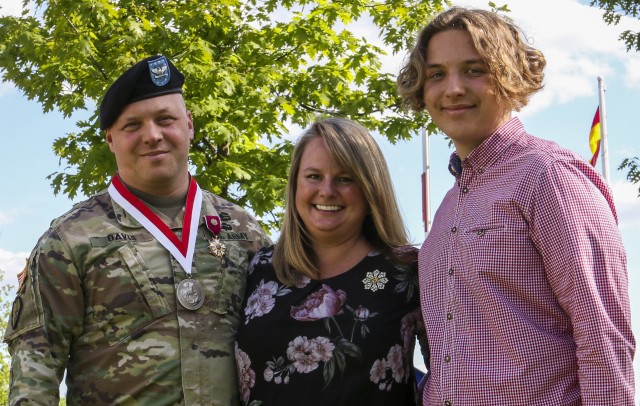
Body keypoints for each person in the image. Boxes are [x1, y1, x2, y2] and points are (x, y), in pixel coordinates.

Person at [397, 6, 635, 405]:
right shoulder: (447, 208)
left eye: (474, 69)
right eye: (437, 74)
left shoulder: (550, 178)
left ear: (509, 75)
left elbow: (602, 335)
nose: (453, 87)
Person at [3, 55, 272, 405]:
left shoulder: (243, 229)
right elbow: (36, 365)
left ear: (189, 124)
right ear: (111, 138)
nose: (152, 135)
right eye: (132, 126)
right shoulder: (70, 239)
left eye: (165, 119)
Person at [234, 117, 428, 405]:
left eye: (345, 178)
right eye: (313, 176)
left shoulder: (410, 272)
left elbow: (455, 376)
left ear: (370, 188)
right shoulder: (256, 268)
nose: (327, 191)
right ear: (295, 184)